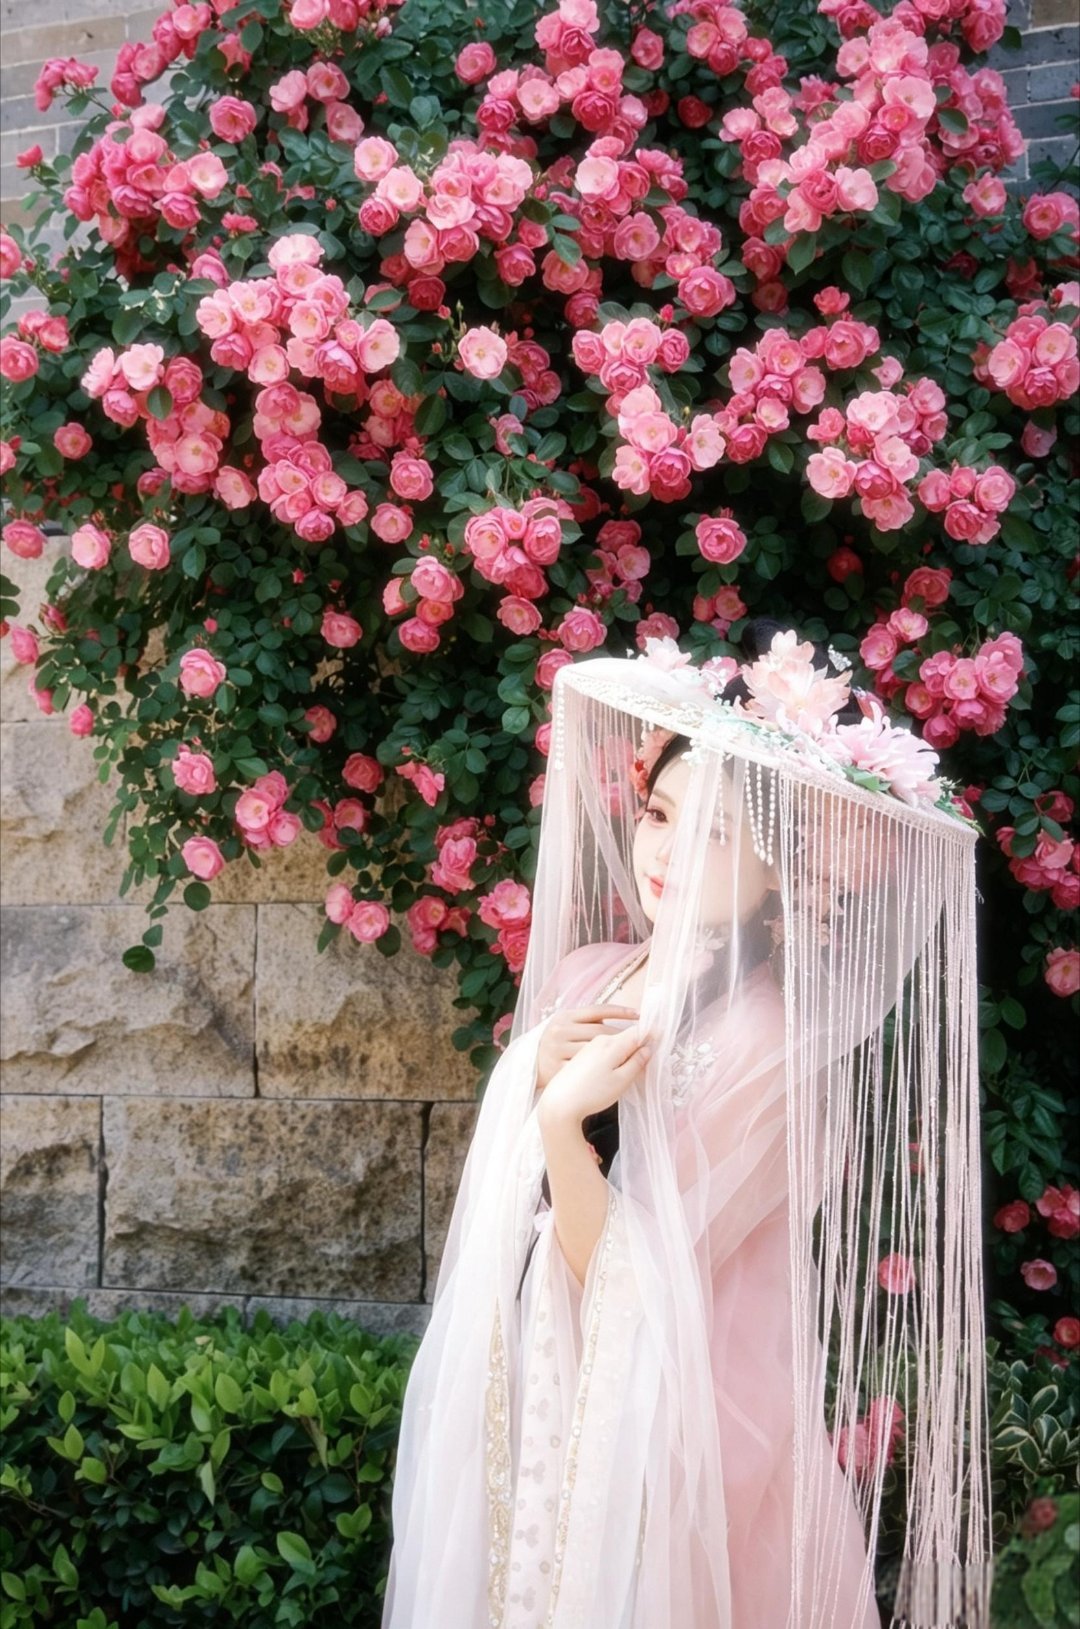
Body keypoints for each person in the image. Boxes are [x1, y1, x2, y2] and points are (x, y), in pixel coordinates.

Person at [382, 624, 992, 1629]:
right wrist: (534, 1078)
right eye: (661, 813)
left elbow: (635, 1279)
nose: (664, 850)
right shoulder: (591, 976)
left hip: (694, 1443)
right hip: (547, 1387)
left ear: (780, 865)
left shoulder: (774, 1046)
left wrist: (557, 1116)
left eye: (711, 831)